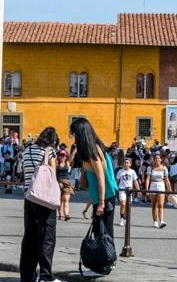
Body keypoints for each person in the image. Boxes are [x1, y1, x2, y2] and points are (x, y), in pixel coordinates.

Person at [70, 117, 117, 278]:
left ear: (81, 133)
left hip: (106, 198)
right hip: (100, 198)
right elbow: (90, 185)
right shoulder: (90, 151)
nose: (73, 137)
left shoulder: (94, 152)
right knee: (101, 232)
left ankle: (105, 265)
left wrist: (102, 203)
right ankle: (104, 263)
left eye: (74, 133)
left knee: (104, 234)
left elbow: (101, 179)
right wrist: (90, 204)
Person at [18, 126, 58, 282]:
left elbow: (25, 172)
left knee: (30, 237)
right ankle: (46, 276)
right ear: (53, 140)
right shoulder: (49, 151)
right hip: (44, 199)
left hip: (29, 197)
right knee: (47, 237)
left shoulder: (26, 151)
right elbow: (52, 176)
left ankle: (27, 275)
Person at [148, 153, 170, 228]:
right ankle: (155, 221)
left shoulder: (164, 168)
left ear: (161, 159)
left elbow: (167, 180)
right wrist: (147, 189)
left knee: (161, 204)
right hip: (153, 184)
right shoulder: (150, 168)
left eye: (158, 158)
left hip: (161, 185)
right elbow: (148, 179)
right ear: (154, 160)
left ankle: (161, 221)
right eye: (156, 158)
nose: (157, 159)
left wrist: (170, 191)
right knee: (154, 205)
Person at [116, 157, 137, 226]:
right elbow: (117, 181)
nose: (125, 164)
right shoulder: (120, 171)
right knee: (123, 204)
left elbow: (135, 182)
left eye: (127, 163)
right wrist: (115, 189)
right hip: (122, 189)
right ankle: (122, 219)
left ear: (130, 164)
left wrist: (139, 191)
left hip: (129, 191)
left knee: (128, 206)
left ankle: (125, 217)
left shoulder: (132, 172)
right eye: (124, 163)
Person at [56, 145, 74, 221]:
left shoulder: (67, 163)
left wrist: (75, 148)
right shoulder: (56, 164)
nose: (62, 157)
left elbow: (72, 155)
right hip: (58, 183)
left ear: (66, 156)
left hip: (66, 183)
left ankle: (66, 215)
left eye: (63, 155)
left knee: (66, 200)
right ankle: (60, 215)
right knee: (60, 200)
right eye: (61, 155)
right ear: (58, 156)